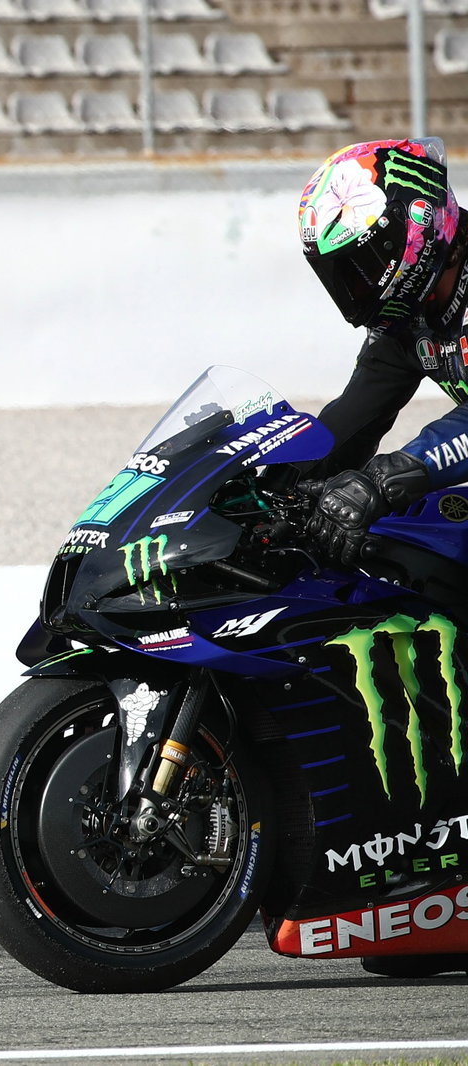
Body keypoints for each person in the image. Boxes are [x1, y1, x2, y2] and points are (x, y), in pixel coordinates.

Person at [299, 137, 468, 979]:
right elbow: (350, 421)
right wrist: (258, 477)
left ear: (416, 231)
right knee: (400, 569)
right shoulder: (411, 319)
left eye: (363, 261)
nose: (354, 286)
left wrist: (394, 474)